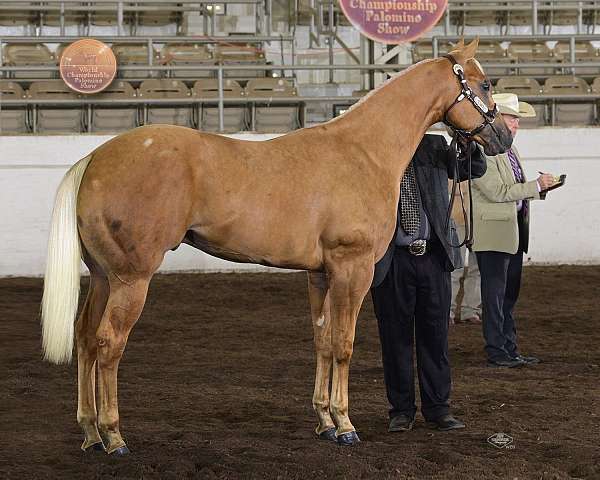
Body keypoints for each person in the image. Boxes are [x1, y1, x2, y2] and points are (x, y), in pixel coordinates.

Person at [371, 133, 486, 433]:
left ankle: (438, 409)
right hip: (391, 259)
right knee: (395, 340)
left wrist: (468, 146)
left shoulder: (433, 145)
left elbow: (472, 169)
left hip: (433, 256)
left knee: (435, 337)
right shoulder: (374, 148)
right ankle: (401, 410)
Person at [471, 93, 556, 368]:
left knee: (507, 296)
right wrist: (536, 186)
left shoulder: (507, 150)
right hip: (495, 234)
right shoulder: (483, 150)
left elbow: (511, 189)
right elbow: (496, 192)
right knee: (495, 297)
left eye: (517, 119)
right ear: (497, 120)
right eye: (512, 118)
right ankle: (497, 349)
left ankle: (508, 348)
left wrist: (539, 187)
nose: (517, 124)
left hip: (511, 232)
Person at [449, 179, 482, 325]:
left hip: (479, 219)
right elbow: (448, 185)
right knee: (455, 269)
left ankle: (471, 309)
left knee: (477, 269)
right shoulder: (452, 156)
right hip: (457, 219)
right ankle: (448, 310)